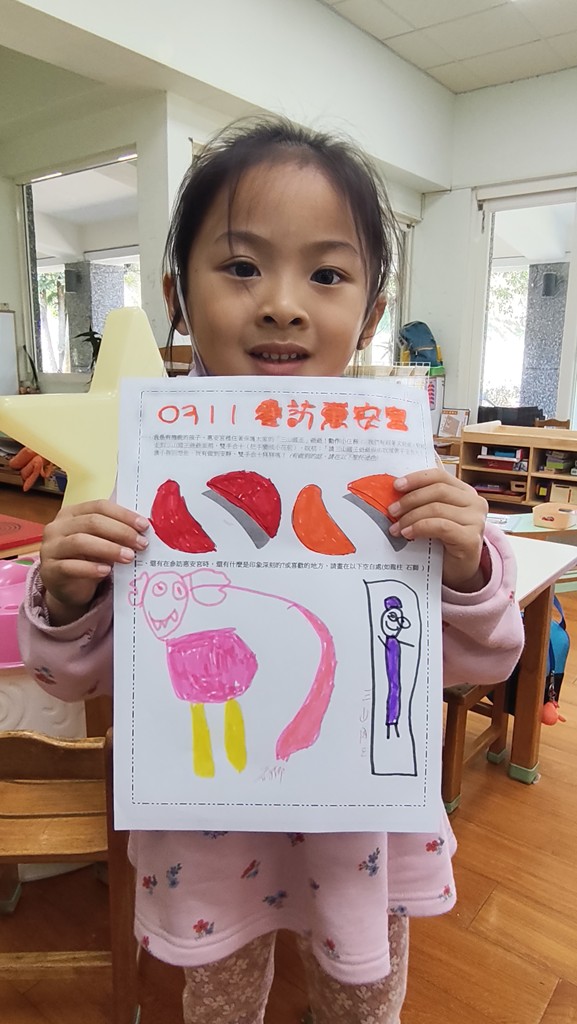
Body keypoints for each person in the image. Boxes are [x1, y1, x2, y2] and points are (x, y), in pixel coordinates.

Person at [18, 118, 525, 1024]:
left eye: (326, 275)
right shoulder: (142, 474)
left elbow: (482, 661)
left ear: (371, 312)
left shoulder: (403, 477)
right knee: (218, 1010)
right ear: (178, 296)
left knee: (361, 1004)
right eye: (242, 266)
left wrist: (464, 567)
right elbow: (68, 678)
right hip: (207, 839)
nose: (283, 305)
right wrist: (63, 594)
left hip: (361, 836)